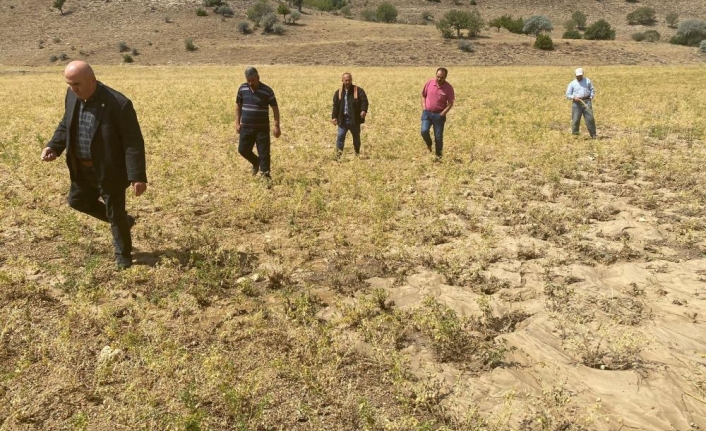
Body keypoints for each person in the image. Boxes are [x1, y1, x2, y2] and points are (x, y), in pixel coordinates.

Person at [41, 61, 147, 270]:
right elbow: (66, 124)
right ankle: (125, 222)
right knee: (77, 201)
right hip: (81, 168)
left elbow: (132, 142)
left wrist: (137, 175)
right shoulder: (72, 96)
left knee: (114, 212)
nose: (73, 88)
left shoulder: (119, 104)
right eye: (70, 84)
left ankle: (123, 257)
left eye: (77, 84)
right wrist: (54, 145)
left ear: (92, 80)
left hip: (109, 169)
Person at [235, 66, 281, 179]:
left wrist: (276, 125)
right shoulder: (242, 89)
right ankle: (256, 162)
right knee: (243, 149)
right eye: (248, 80)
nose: (251, 83)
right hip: (246, 127)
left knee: (264, 152)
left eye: (253, 80)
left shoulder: (267, 91)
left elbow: (275, 108)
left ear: (258, 77)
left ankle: (266, 176)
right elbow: (238, 105)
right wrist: (237, 123)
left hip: (262, 128)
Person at [331, 72, 368, 157]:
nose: (347, 82)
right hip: (343, 120)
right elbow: (335, 105)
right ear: (342, 80)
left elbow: (364, 101)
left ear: (351, 80)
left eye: (349, 80)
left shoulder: (358, 90)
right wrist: (334, 117)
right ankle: (338, 156)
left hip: (354, 120)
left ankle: (357, 153)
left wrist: (363, 110)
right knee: (340, 137)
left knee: (356, 138)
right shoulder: (338, 92)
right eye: (346, 80)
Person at [421, 67, 455, 160]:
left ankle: (438, 157)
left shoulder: (448, 88)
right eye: (438, 77)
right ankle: (429, 145)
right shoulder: (429, 83)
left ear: (445, 77)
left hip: (439, 115)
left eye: (442, 77)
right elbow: (423, 95)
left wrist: (443, 114)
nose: (439, 79)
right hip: (427, 113)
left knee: (438, 137)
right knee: (424, 131)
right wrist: (424, 108)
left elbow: (451, 103)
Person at [565, 67, 596, 138]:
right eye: (577, 75)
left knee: (590, 119)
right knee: (575, 119)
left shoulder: (588, 81)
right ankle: (575, 135)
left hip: (587, 102)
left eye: (580, 75)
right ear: (575, 75)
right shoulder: (572, 83)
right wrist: (574, 97)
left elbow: (592, 89)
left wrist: (591, 96)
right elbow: (568, 94)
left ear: (583, 74)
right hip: (576, 104)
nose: (579, 77)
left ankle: (593, 135)